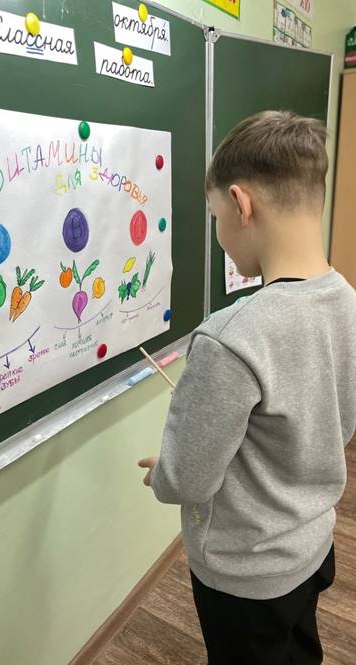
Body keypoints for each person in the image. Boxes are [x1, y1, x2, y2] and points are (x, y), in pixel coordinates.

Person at [138, 111, 356, 665]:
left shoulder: (230, 337)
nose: (218, 235)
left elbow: (186, 480)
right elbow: (325, 423)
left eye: (215, 216)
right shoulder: (348, 302)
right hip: (312, 544)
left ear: (241, 204)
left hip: (247, 574)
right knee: (299, 650)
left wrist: (165, 470)